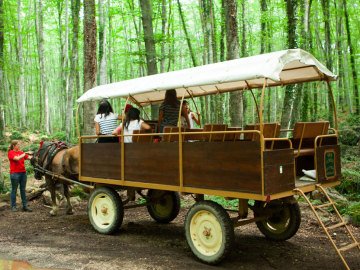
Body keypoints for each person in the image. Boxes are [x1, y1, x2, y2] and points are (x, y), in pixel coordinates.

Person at [8, 140, 33, 212]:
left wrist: (35, 156)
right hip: (14, 174)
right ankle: (13, 206)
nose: (19, 145)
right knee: (14, 190)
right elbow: (17, 158)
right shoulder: (11, 153)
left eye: (19, 144)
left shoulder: (21, 152)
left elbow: (29, 158)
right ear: (14, 146)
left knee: (23, 190)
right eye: (18, 144)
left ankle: (25, 206)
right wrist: (25, 153)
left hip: (23, 173)